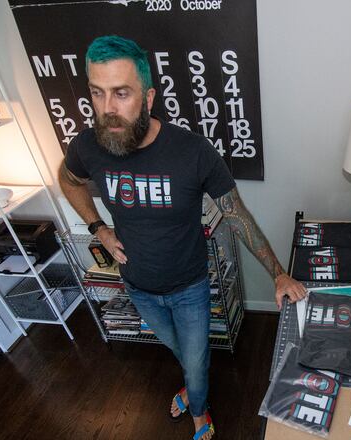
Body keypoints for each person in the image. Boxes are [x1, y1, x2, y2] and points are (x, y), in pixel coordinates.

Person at [58, 35, 307, 440]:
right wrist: (96, 226)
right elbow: (69, 180)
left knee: (194, 360)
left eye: (121, 93)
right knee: (183, 353)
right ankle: (193, 385)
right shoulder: (89, 146)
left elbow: (237, 215)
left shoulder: (192, 151)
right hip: (138, 286)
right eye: (97, 93)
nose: (107, 108)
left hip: (189, 288)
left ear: (148, 97)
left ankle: (199, 410)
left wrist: (278, 273)